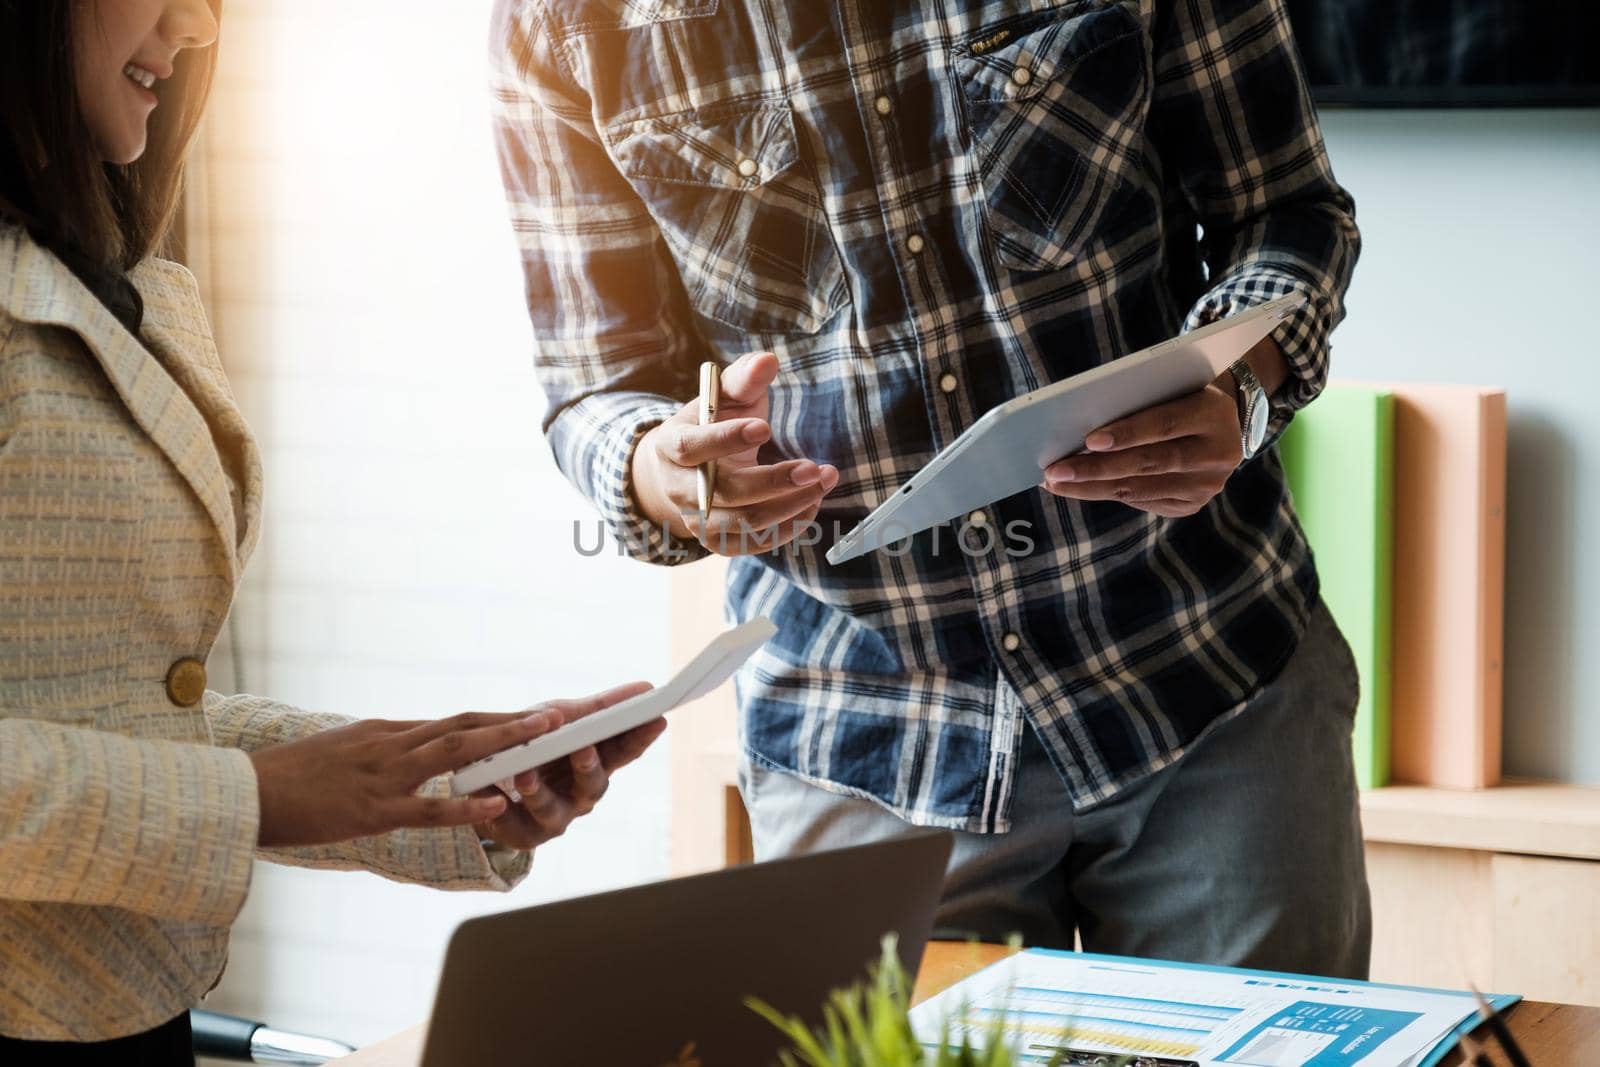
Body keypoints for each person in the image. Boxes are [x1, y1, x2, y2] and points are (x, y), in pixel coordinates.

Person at [492, 0, 1369, 977]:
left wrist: (1239, 389)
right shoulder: (563, 24)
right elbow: (596, 386)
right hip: (864, 739)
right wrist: (661, 468)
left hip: (1211, 683)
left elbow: (1286, 213)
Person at [0, 1, 665, 1058]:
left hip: (115, 1003)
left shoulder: (90, 267)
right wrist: (254, 798)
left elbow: (102, 706)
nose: (199, 24)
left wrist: (443, 783)